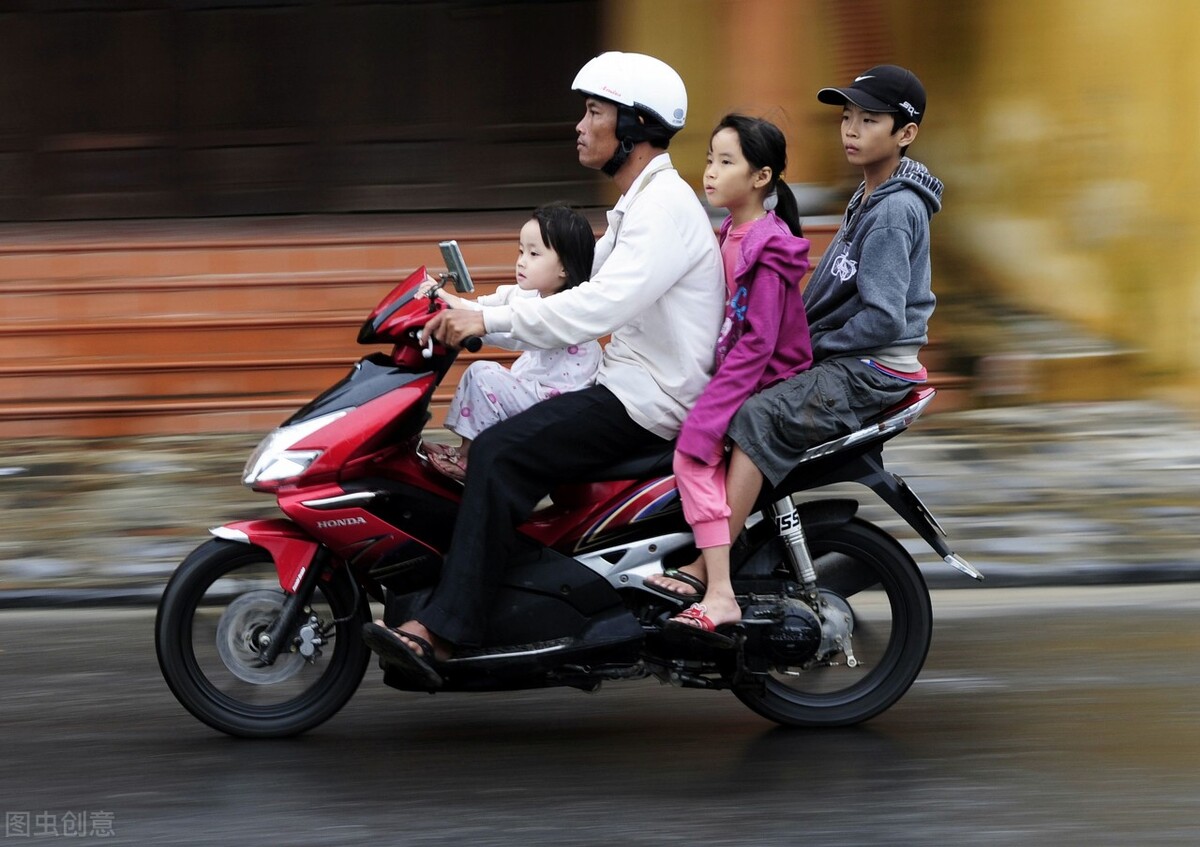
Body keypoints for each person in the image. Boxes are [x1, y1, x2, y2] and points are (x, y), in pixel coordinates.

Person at [361, 52, 725, 688]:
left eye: (594, 112)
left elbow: (593, 308)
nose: (580, 127)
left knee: (501, 453)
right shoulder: (640, 204)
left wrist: (487, 323)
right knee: (500, 447)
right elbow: (563, 291)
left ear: (634, 126)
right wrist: (470, 307)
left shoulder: (663, 208)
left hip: (650, 401)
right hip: (627, 385)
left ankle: (447, 630)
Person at [650, 64, 944, 600]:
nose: (851, 129)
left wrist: (807, 350)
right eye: (847, 117)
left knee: (757, 415)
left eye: (869, 120)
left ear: (906, 134)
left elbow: (883, 318)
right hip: (850, 358)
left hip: (871, 368)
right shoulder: (868, 196)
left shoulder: (896, 210)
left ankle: (706, 573)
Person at [648, 114, 813, 645]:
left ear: (760, 177)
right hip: (740, 368)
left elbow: (760, 342)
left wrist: (713, 405)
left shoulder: (768, 245)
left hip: (766, 379)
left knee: (693, 454)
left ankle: (718, 590)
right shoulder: (730, 230)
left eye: (725, 161)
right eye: (709, 159)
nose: (710, 173)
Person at [422, 204, 602, 481]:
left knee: (483, 374)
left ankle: (469, 458)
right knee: (488, 373)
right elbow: (486, 307)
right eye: (521, 251)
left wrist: (467, 313)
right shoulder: (530, 295)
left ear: (565, 267)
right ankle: (464, 450)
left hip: (558, 408)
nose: (521, 261)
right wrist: (445, 299)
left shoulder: (566, 308)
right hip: (538, 391)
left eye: (534, 254)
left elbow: (512, 328)